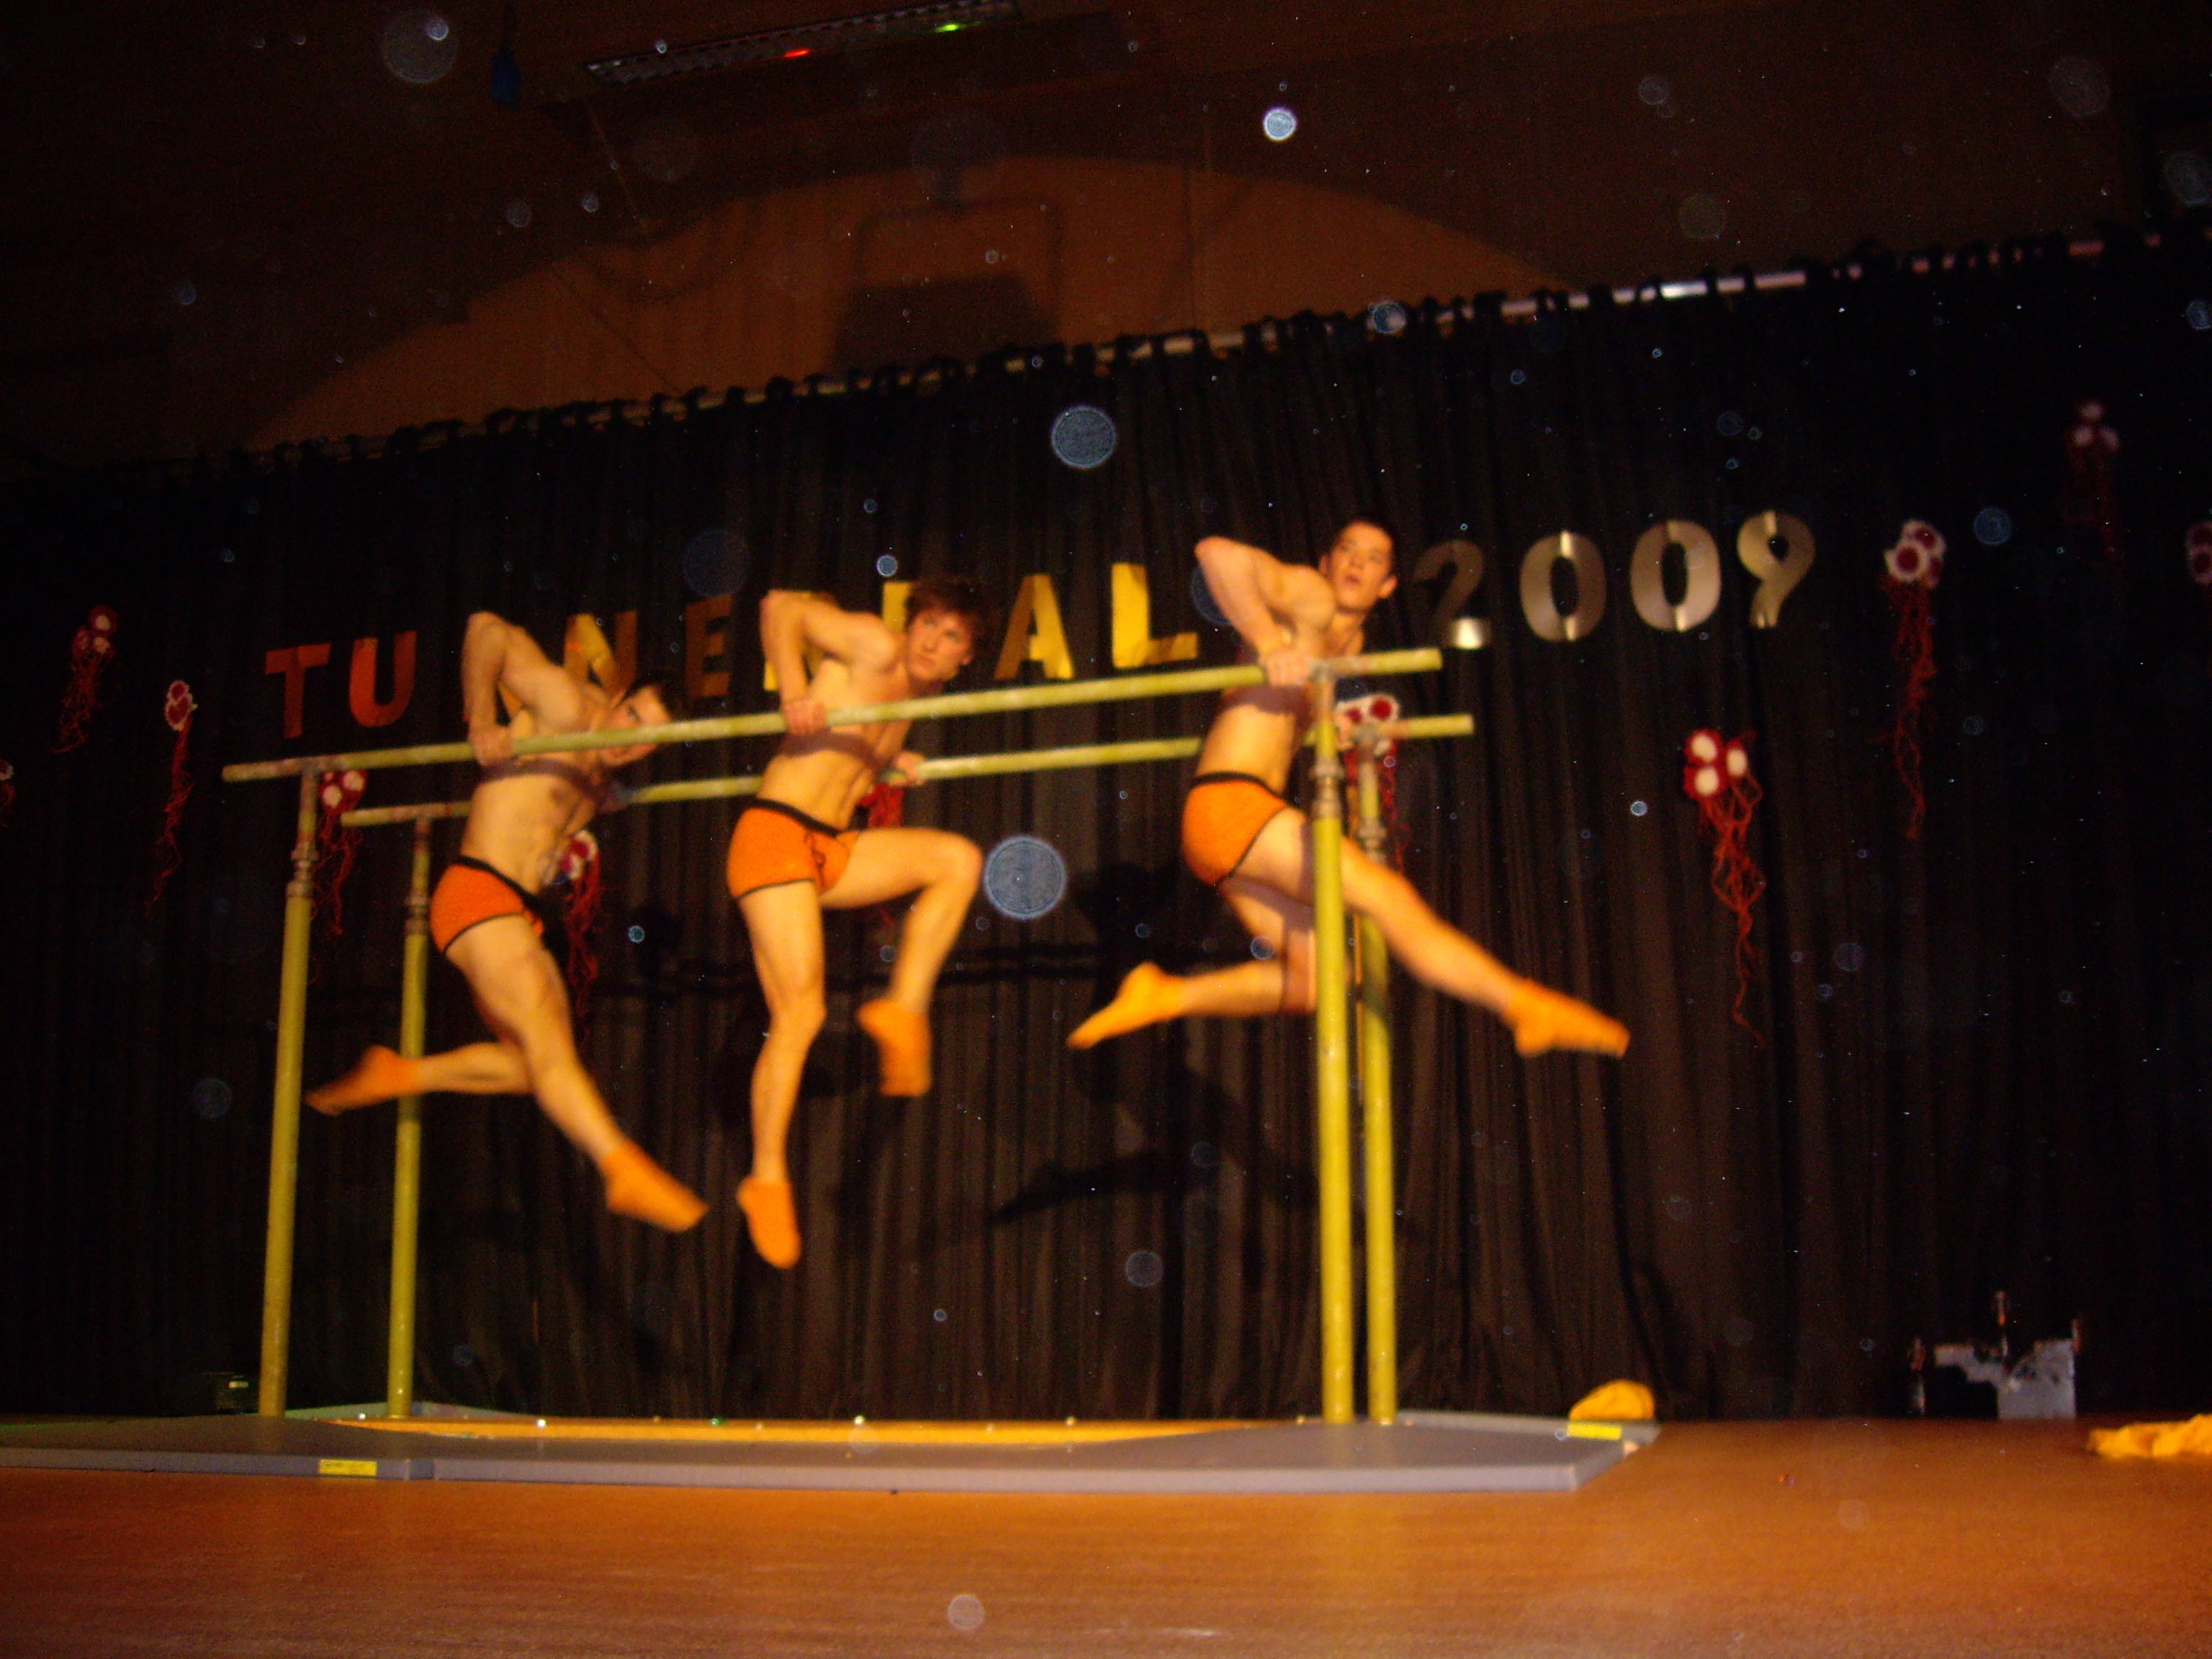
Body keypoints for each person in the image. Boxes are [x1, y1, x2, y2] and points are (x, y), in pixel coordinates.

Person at [1070, 519, 1629, 1059]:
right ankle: (1521, 1005)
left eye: (1373, 557)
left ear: (1388, 584)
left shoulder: (1342, 654)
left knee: (1320, 979)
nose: (1357, 562)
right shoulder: (1307, 598)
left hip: (1230, 827)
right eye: (1347, 550)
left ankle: (1166, 994)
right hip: (1232, 804)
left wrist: (1334, 727)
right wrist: (1267, 641)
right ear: (1326, 562)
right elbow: (1215, 553)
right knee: (1388, 899)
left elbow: (1290, 724)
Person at [307, 611, 707, 1233]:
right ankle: (621, 1165)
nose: (631, 738)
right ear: (617, 700)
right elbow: (485, 628)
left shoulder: (603, 776)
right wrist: (482, 719)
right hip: (478, 891)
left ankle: (402, 1072)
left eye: (649, 737)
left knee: (531, 1067)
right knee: (550, 1047)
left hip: (514, 910)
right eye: (632, 715)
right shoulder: (567, 709)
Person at [729, 576, 997, 1268]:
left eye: (952, 637)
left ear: (965, 657)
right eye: (929, 625)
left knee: (958, 860)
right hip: (775, 837)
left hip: (828, 849)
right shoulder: (874, 646)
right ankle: (765, 1178)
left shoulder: (912, 698)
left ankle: (903, 1009)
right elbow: (779, 605)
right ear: (910, 625)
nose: (933, 643)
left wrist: (889, 762)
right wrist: (793, 690)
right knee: (800, 1013)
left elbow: (850, 755)